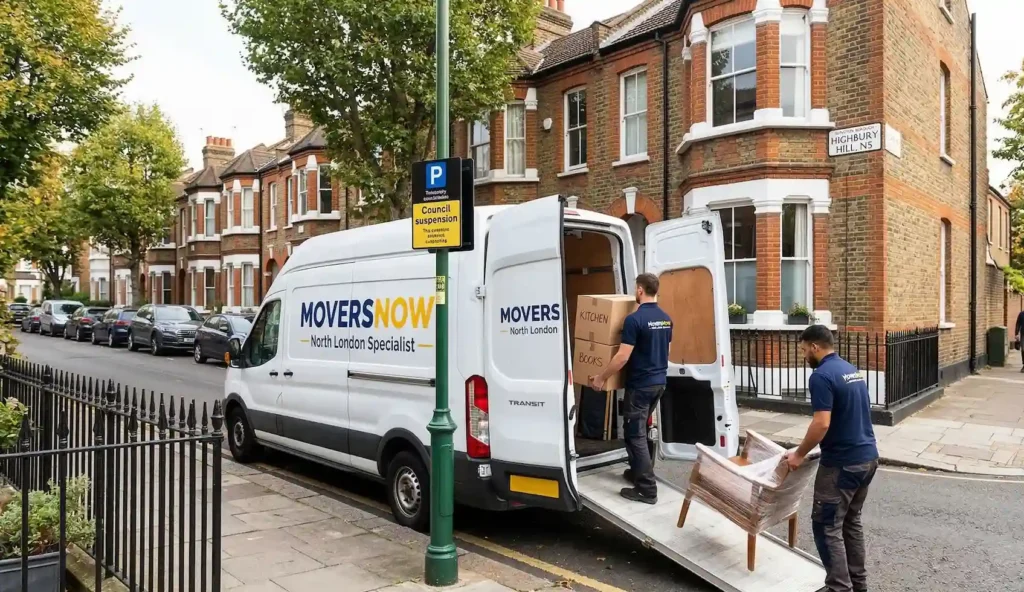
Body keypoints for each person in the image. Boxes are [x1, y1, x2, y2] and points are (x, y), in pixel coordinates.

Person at [785, 325, 879, 592]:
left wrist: (799, 454)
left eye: (804, 349)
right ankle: (857, 585)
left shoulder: (821, 376)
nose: (803, 355)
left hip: (842, 463)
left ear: (815, 347)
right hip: (868, 457)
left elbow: (821, 423)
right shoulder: (852, 370)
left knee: (826, 524)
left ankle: (839, 587)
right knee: (850, 521)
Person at [589, 273, 672, 505]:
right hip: (659, 383)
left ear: (639, 290)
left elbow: (622, 357)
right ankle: (637, 472)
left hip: (641, 386)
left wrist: (601, 378)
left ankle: (647, 489)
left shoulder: (634, 320)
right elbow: (666, 350)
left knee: (634, 435)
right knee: (642, 431)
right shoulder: (666, 319)